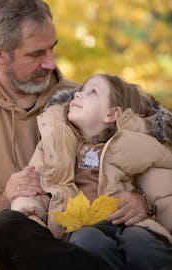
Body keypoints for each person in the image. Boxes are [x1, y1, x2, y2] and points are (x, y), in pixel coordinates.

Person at [0, 0, 147, 269]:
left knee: (119, 242)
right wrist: (1, 201)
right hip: (7, 243)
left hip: (81, 234)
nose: (50, 63)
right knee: (7, 226)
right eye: (37, 53)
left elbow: (145, 160)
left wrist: (142, 201)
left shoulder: (84, 101)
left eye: (52, 48)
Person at [11, 73, 172, 270]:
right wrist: (29, 216)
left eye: (92, 92)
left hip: (130, 224)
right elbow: (33, 187)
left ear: (111, 114)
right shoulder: (54, 144)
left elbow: (165, 194)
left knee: (141, 243)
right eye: (79, 91)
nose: (78, 95)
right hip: (78, 226)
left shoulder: (136, 144)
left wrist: (145, 202)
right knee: (87, 241)